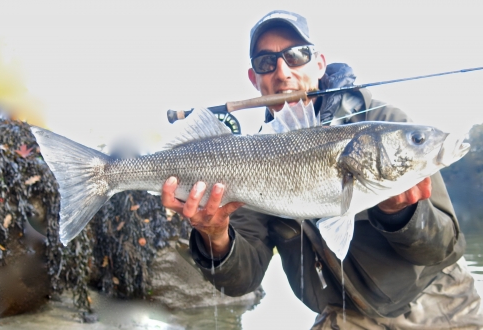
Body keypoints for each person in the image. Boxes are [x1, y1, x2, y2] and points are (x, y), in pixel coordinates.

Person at [161, 10, 483, 329]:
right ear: (254, 78)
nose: (282, 72)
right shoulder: (247, 156)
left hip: (438, 303)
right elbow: (241, 279)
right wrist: (215, 236)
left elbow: (446, 247)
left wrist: (403, 217)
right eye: (265, 62)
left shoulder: (386, 119)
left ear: (319, 63)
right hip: (345, 315)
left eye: (296, 55)